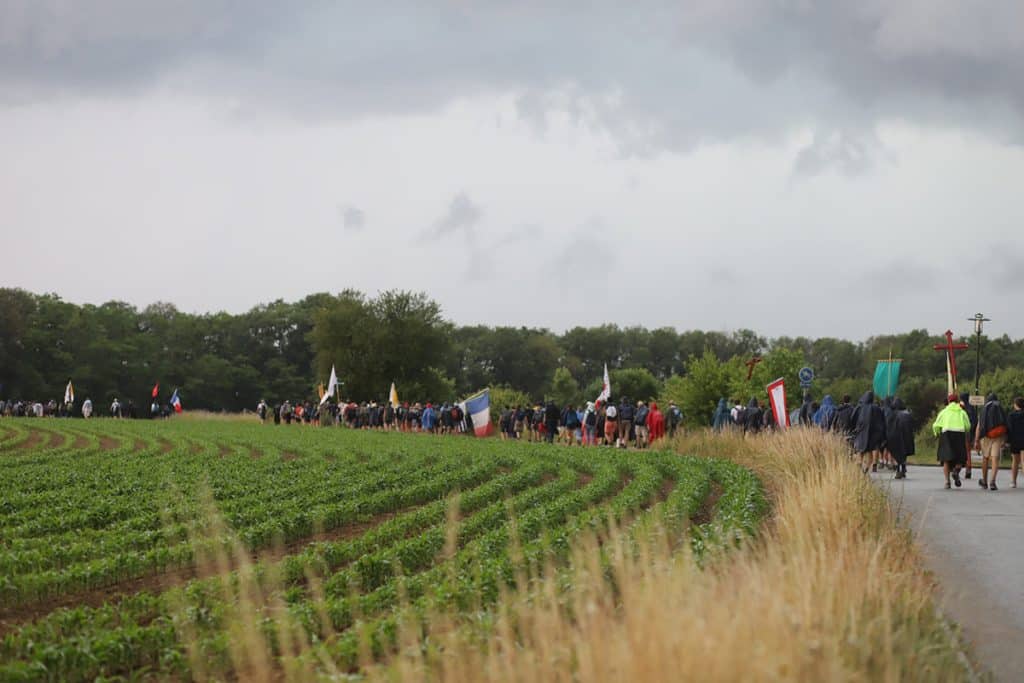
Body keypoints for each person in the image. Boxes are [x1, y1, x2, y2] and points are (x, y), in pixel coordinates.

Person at [933, 394, 971, 489]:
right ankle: (956, 471)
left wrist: (937, 433)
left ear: (949, 401)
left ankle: (947, 481)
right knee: (960, 458)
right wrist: (965, 430)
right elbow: (968, 426)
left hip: (946, 434)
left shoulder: (944, 412)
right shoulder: (962, 412)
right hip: (959, 433)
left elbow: (936, 425)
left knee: (946, 459)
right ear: (957, 401)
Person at [974, 393, 1008, 491]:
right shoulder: (1000, 407)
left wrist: (976, 440)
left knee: (985, 457)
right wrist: (1005, 439)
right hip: (998, 435)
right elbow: (1005, 423)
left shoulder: (984, 409)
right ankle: (992, 481)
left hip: (986, 436)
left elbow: (979, 426)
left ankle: (984, 482)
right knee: (995, 458)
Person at [850, 391, 885, 473]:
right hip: (873, 433)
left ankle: (859, 463)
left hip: (861, 432)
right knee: (871, 450)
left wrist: (855, 429)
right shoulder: (876, 408)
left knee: (860, 450)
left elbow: (852, 418)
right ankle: (867, 467)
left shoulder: (859, 407)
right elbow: (881, 421)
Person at [885, 398, 915, 479]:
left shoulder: (893, 414)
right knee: (904, 453)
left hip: (896, 437)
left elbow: (889, 426)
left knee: (897, 454)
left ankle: (898, 470)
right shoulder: (908, 414)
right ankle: (903, 468)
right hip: (907, 436)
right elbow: (912, 426)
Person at [959, 392, 979, 479]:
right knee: (968, 452)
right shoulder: (972, 408)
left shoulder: (962, 408)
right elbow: (975, 421)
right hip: (970, 433)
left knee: (960, 451)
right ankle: (968, 468)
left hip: (962, 431)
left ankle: (958, 468)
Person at [1007, 397, 1024, 489]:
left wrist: (1008, 441)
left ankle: (1013, 481)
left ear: (1015, 405)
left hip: (1014, 440)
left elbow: (1009, 429)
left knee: (1015, 461)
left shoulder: (1011, 415)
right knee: (1023, 461)